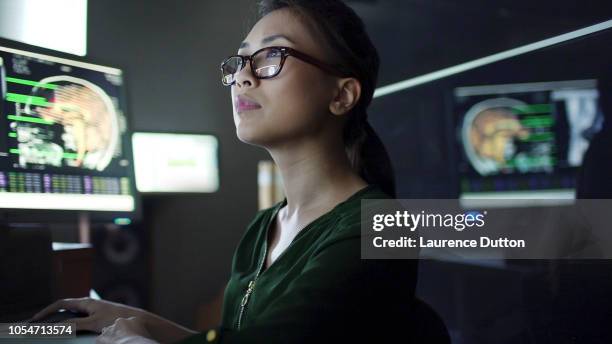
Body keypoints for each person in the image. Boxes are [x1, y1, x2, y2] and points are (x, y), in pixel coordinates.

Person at [31, 1, 419, 343]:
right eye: (240, 62)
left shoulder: (383, 224)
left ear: (341, 95)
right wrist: (132, 320)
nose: (242, 78)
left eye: (271, 57)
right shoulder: (265, 226)